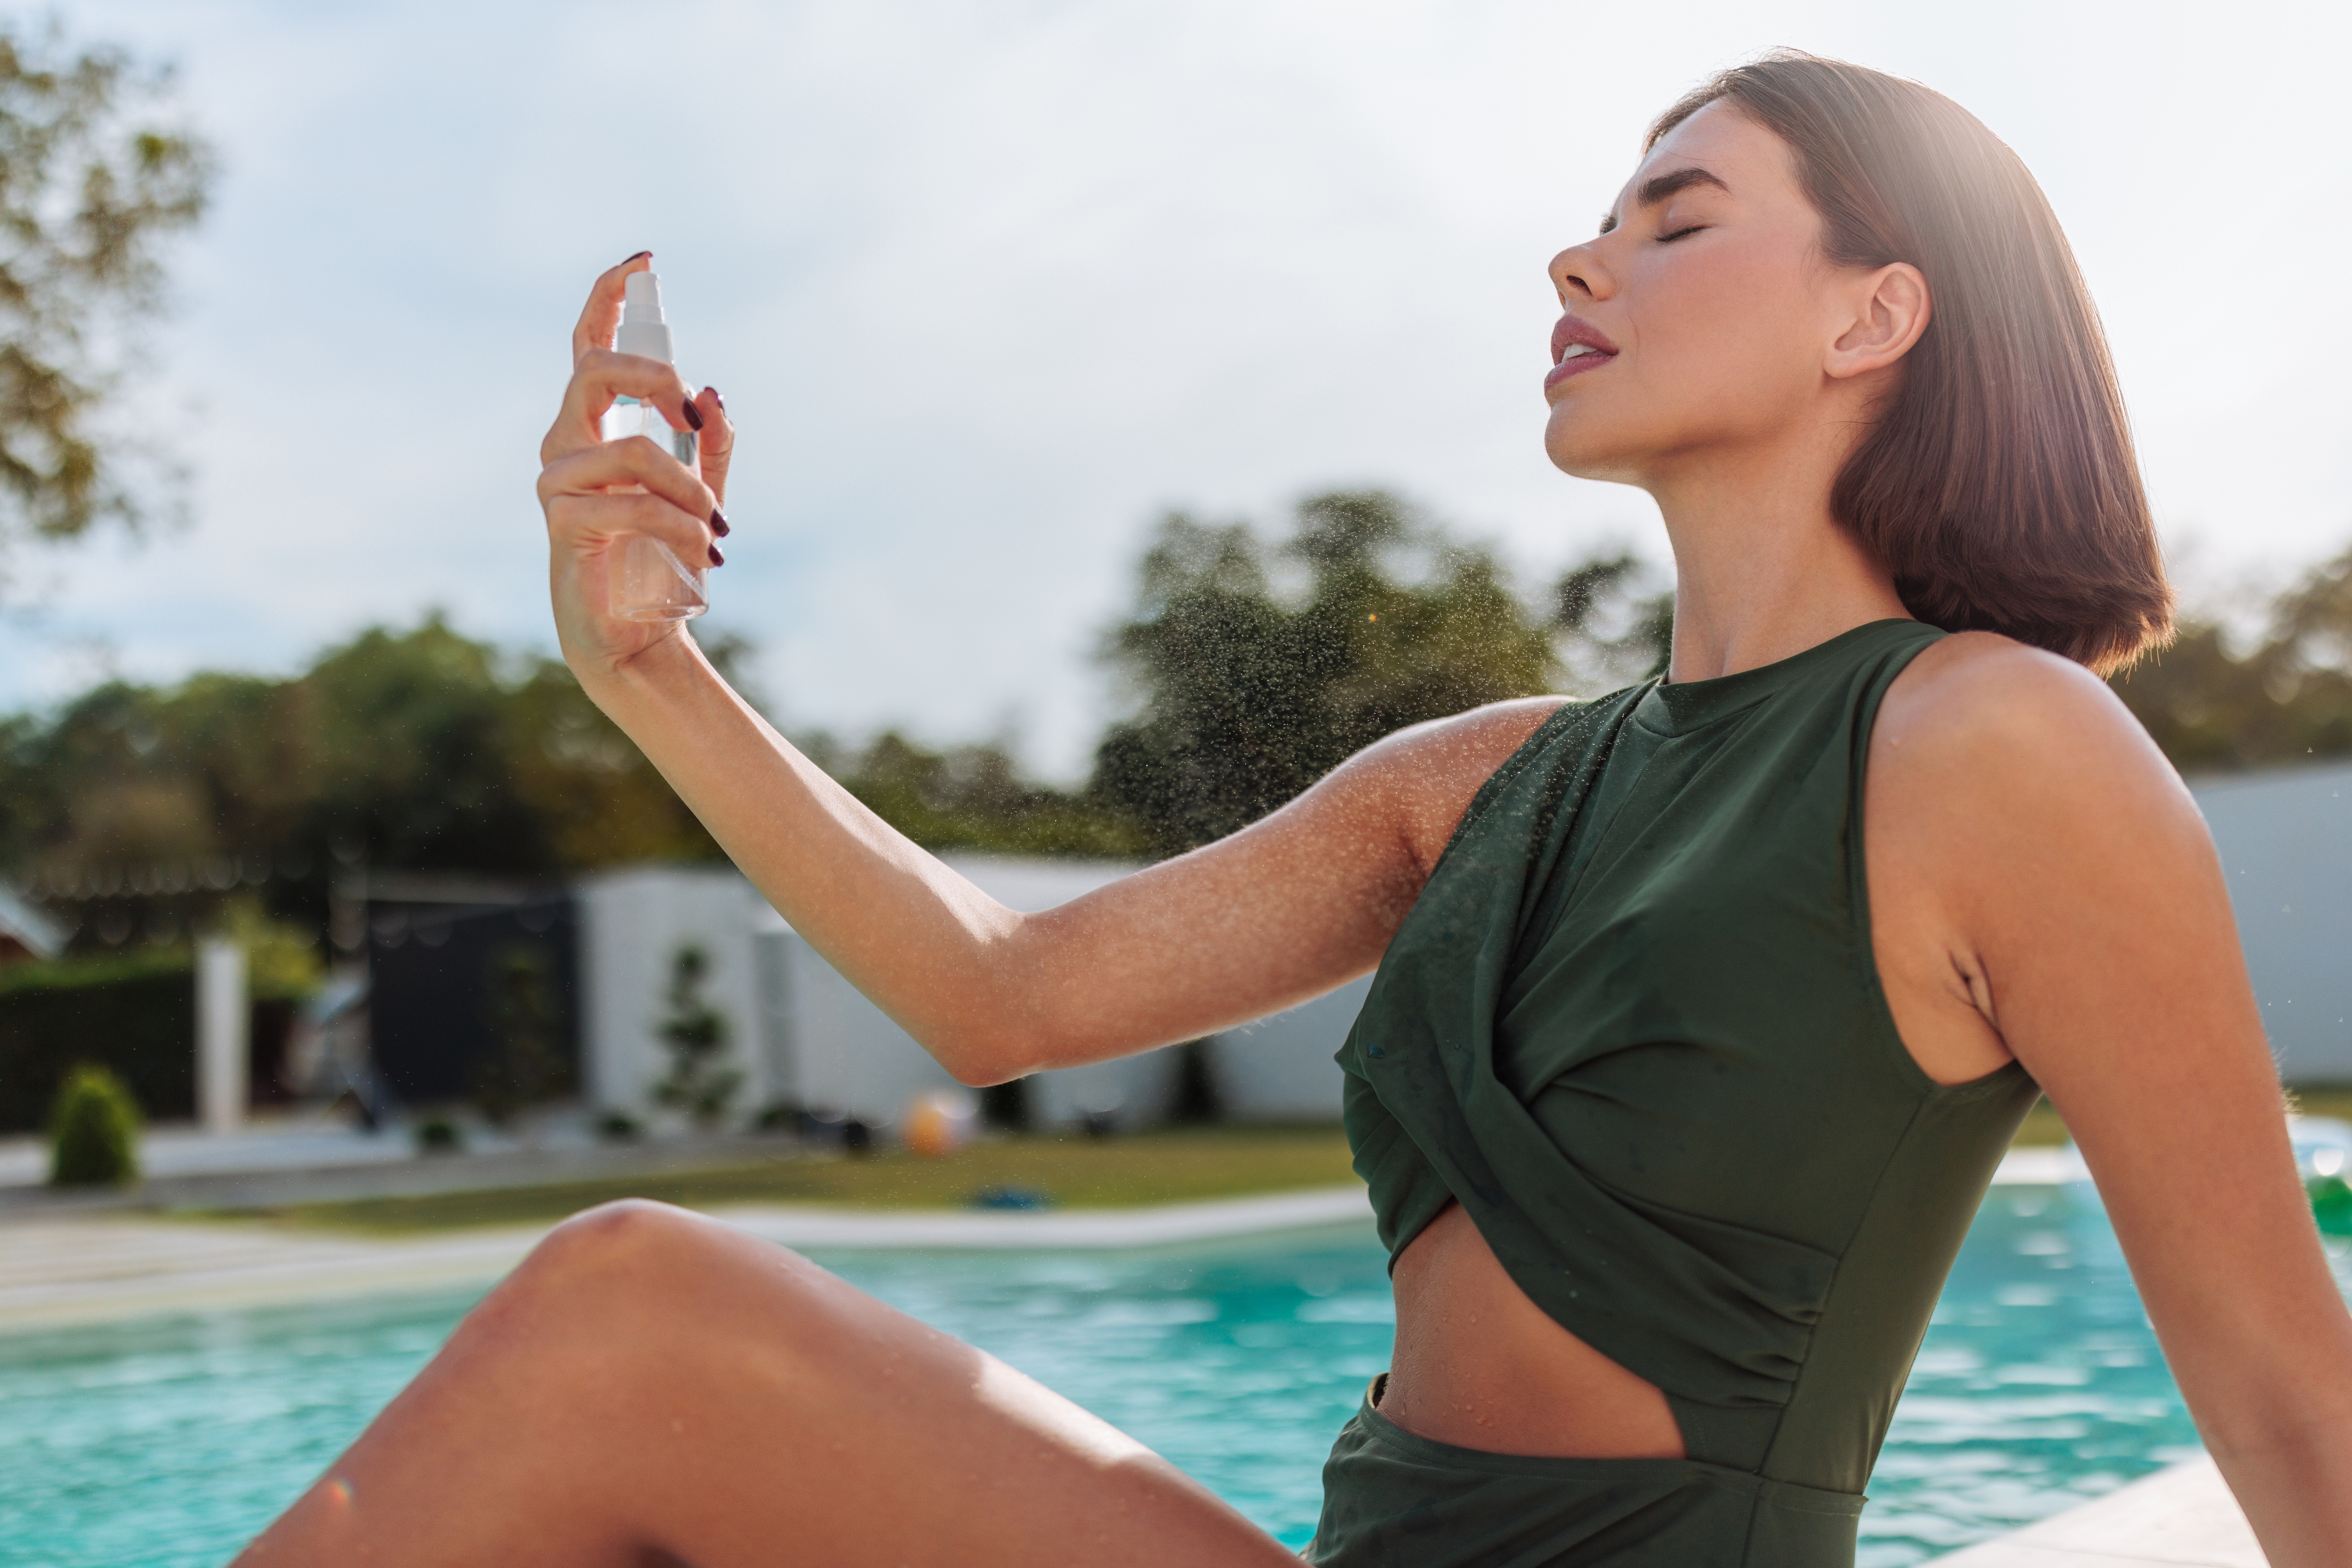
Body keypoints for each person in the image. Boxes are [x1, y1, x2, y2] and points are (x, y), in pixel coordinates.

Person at [235, 51, 2352, 1568]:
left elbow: (2284, 1397)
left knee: (626, 1314)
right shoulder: (1489, 778)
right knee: (626, 1316)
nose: (1580, 257)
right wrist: (644, 667)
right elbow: (1003, 996)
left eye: (1676, 218)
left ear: (1875, 315)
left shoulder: (1997, 746)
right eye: (1600, 212)